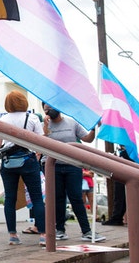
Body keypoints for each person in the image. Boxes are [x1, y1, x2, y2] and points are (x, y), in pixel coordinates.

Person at [42, 102, 106, 242]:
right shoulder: (44, 125)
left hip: (72, 166)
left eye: (51, 108)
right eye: (46, 110)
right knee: (58, 199)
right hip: (54, 167)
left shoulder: (71, 123)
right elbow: (41, 143)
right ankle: (60, 229)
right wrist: (45, 127)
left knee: (76, 197)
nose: (49, 111)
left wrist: (94, 129)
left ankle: (87, 231)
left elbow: (87, 139)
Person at [0, 91, 46, 246]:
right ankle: (43, 235)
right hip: (28, 160)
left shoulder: (2, 119)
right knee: (37, 198)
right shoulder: (32, 118)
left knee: (10, 198)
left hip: (9, 162)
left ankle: (13, 235)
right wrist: (37, 154)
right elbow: (41, 141)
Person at [102, 145, 129, 226]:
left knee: (120, 195)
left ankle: (116, 218)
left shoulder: (127, 150)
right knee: (122, 196)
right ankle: (117, 217)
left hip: (123, 169)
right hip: (126, 165)